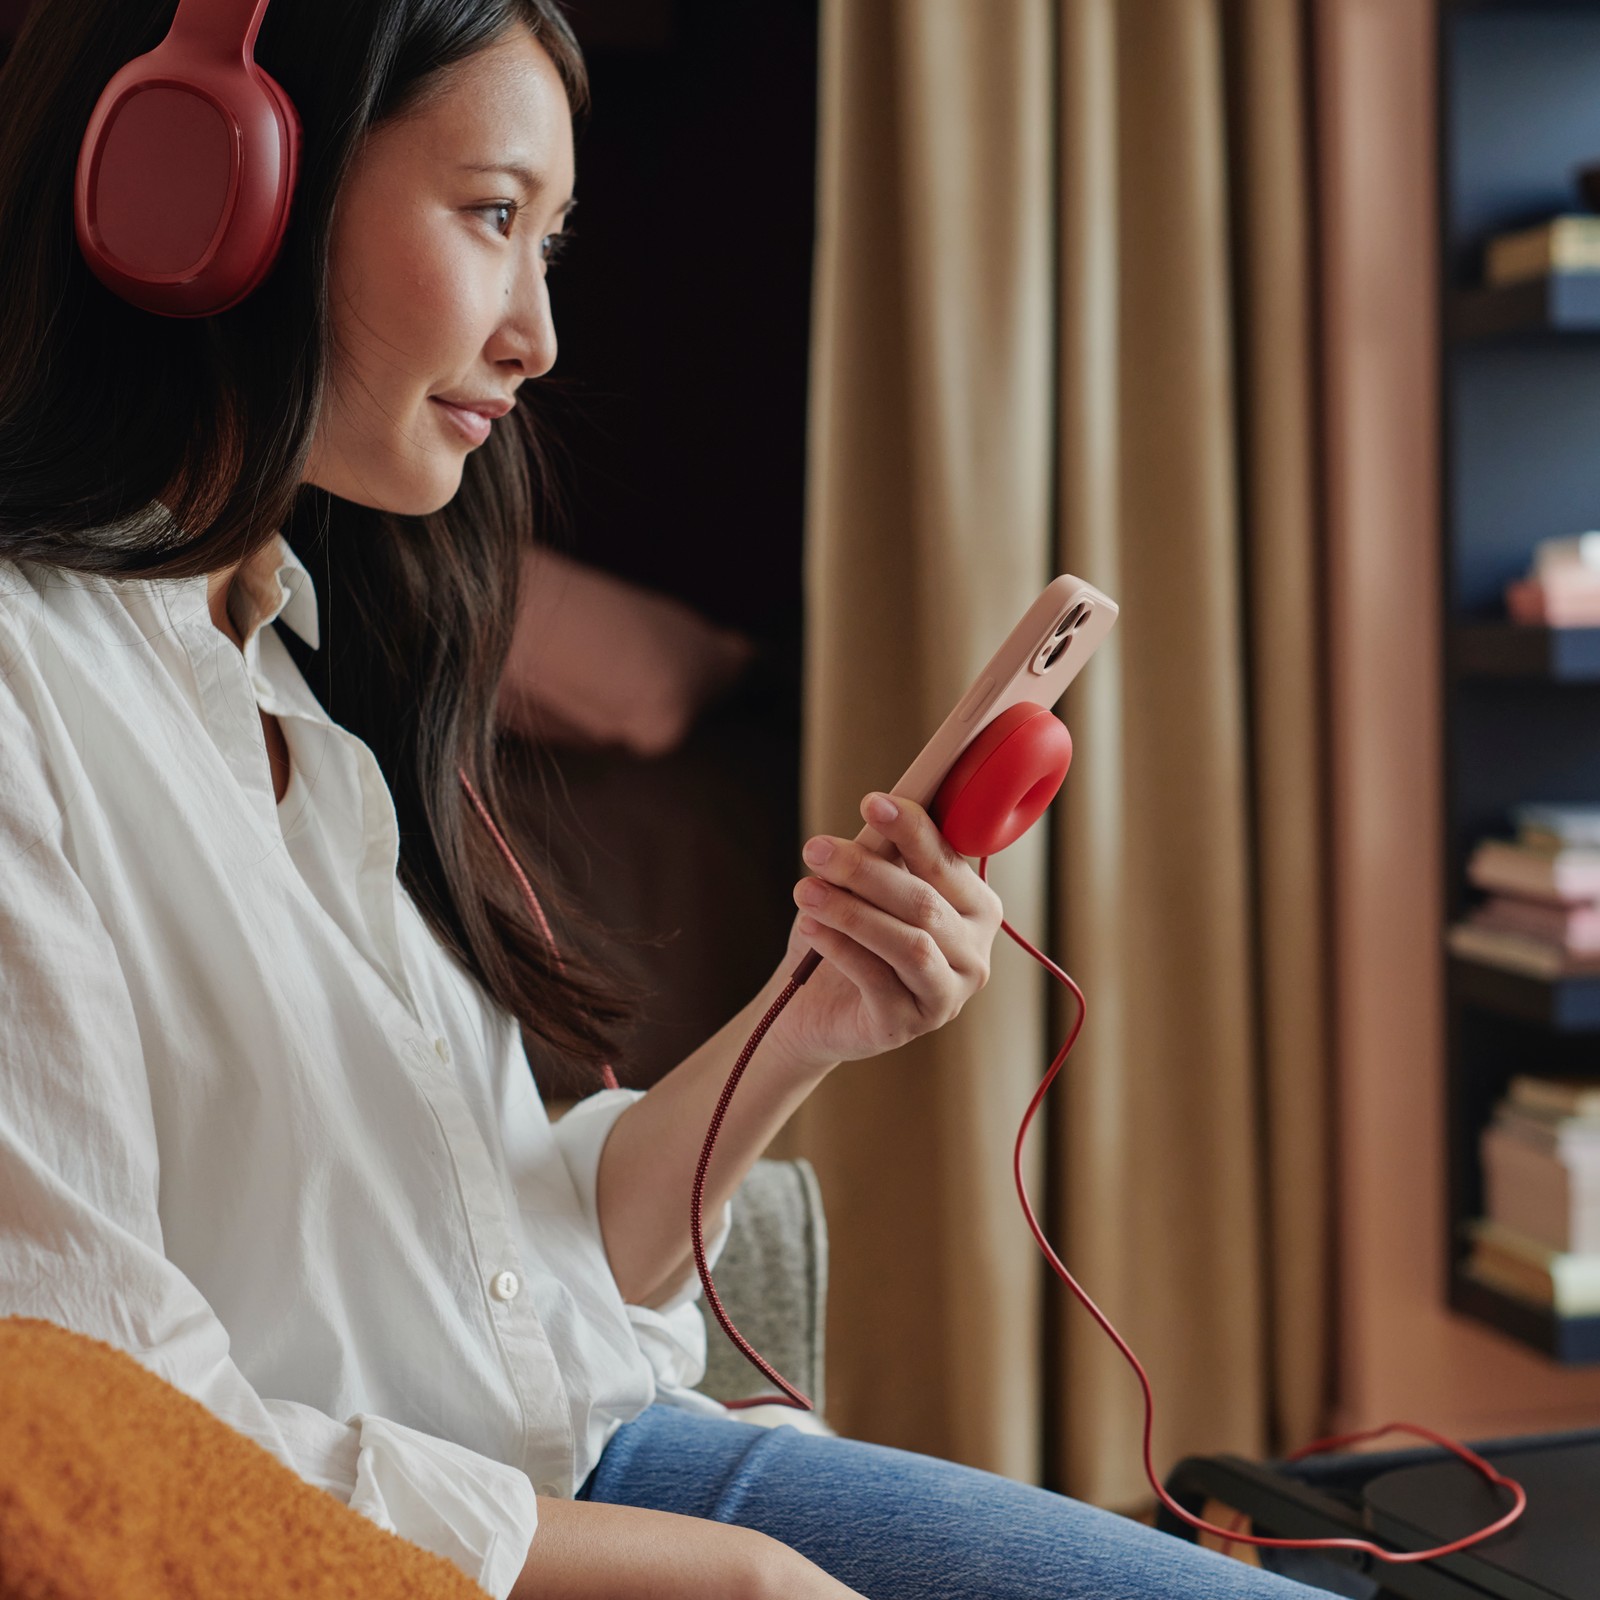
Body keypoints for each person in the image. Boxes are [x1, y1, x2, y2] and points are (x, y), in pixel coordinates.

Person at [0, 4, 1324, 1597]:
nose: (538, 334)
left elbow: (536, 1271)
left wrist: (807, 1014)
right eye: (495, 217)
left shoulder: (300, 669)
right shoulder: (31, 689)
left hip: (607, 1463)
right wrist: (731, 1579)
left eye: (549, 242)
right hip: (386, 1555)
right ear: (222, 190)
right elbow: (108, 1440)